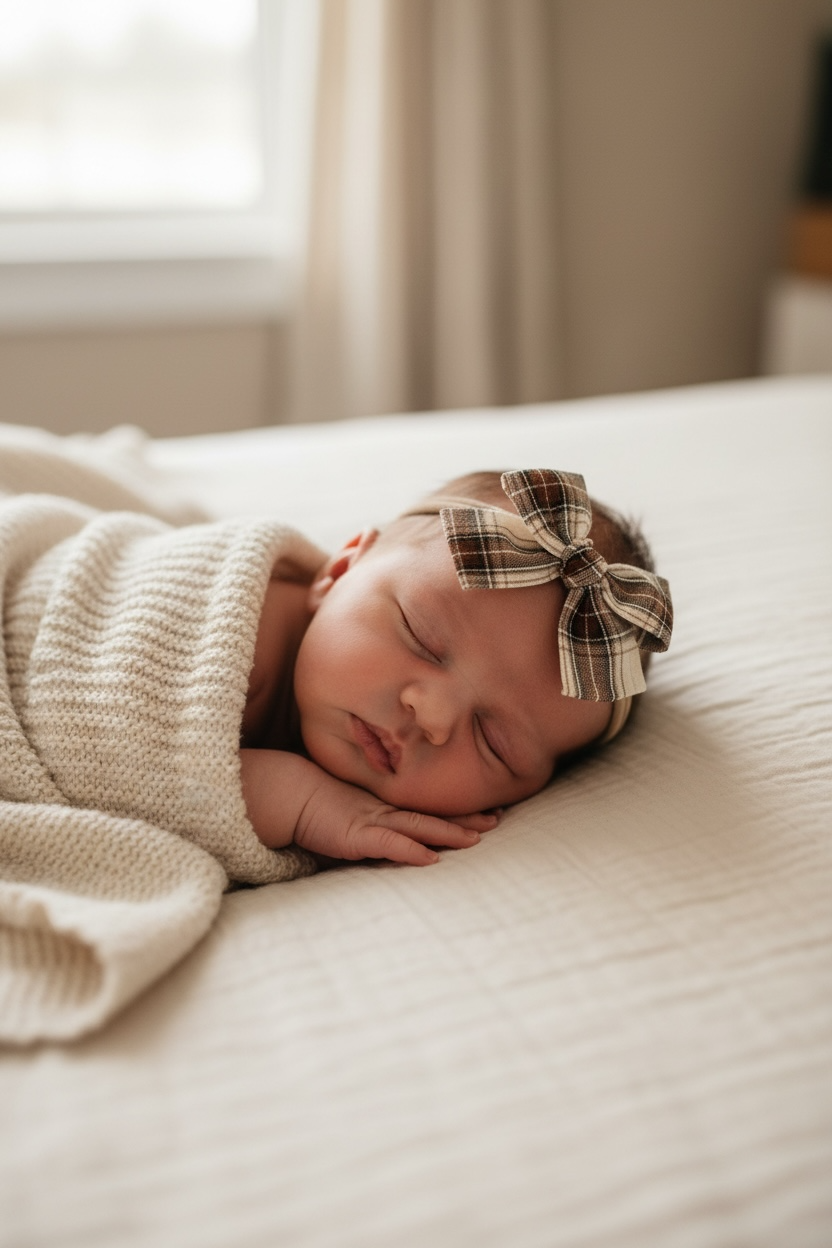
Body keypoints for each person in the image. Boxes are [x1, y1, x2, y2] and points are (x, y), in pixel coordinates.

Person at [240, 467, 673, 869]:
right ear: (338, 571)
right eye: (421, 639)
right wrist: (294, 800)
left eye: (493, 742)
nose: (433, 717)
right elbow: (171, 789)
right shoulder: (243, 632)